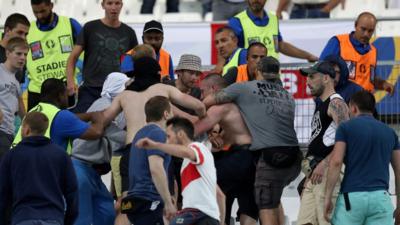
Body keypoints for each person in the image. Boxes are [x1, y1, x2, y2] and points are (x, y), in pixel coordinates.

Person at [204, 56, 302, 225]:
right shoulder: (288, 96)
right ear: (278, 73)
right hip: (294, 158)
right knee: (274, 199)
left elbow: (208, 102)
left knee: (266, 206)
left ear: (257, 71)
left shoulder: (244, 88)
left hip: (270, 156)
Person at [324, 90, 400, 225]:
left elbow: (336, 162)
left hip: (352, 198)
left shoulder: (345, 128)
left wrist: (328, 197)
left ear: (353, 108)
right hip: (381, 198)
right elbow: (399, 170)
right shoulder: (390, 132)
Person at [196, 74, 258, 225]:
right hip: (256, 158)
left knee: (216, 191)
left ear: (214, 89)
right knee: (248, 205)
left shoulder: (220, 107)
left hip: (240, 157)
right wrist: (216, 140)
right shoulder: (243, 104)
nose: (202, 96)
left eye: (203, 92)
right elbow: (233, 135)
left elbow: (195, 129)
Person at [136, 117, 220, 225]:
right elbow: (220, 195)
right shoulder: (190, 163)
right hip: (202, 216)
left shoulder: (197, 146)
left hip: (198, 215)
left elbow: (188, 153)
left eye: (168, 136)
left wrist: (155, 145)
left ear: (180, 134)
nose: (167, 141)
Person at [0, 111, 78, 225]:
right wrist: (68, 221)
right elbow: (72, 193)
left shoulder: (12, 156)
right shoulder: (61, 155)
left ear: (26, 129)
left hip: (23, 218)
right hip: (54, 218)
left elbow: (3, 194)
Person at [71, 72, 129, 225]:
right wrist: (140, 136)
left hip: (91, 170)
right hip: (80, 167)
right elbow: (115, 134)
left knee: (106, 212)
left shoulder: (108, 104)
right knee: (82, 218)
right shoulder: (105, 106)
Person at [296, 61, 349, 225]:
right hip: (315, 173)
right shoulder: (322, 104)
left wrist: (324, 164)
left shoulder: (336, 103)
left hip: (327, 172)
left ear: (326, 78)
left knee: (325, 220)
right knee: (305, 222)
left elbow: (347, 140)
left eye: (312, 77)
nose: (308, 82)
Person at [66, 0, 138, 113]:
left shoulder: (129, 33)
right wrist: (70, 82)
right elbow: (72, 58)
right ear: (103, 5)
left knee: (117, 128)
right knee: (82, 124)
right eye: (109, 3)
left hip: (118, 91)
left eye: (117, 3)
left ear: (122, 5)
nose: (113, 7)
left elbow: (135, 65)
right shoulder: (90, 27)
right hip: (90, 89)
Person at [12, 78, 105, 152]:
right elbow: (96, 132)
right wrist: (99, 117)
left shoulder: (34, 111)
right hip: (41, 167)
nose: (67, 98)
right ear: (60, 96)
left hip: (20, 163)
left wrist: (90, 115)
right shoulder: (62, 117)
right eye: (66, 94)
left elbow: (65, 119)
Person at [123, 96, 176, 225]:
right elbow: (156, 168)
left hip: (134, 201)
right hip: (149, 198)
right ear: (166, 114)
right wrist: (168, 202)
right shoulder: (158, 133)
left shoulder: (139, 134)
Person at [26, 0, 82, 110]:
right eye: (35, 12)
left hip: (65, 89)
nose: (39, 16)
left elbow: (89, 49)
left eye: (43, 11)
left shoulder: (70, 24)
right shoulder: (28, 29)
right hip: (37, 91)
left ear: (51, 6)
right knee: (37, 127)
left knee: (65, 125)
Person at [320, 12, 394, 94]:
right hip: (341, 101)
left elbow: (371, 79)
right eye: (363, 29)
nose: (366, 34)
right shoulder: (338, 42)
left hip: (363, 103)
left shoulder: (373, 51)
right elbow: (321, 68)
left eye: (370, 31)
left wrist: (383, 84)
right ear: (355, 25)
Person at [228, 0, 318, 61]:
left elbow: (279, 45)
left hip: (273, 79)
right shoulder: (237, 21)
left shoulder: (273, 19)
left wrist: (308, 56)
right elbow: (227, 51)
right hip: (250, 79)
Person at [0, 37, 28, 160]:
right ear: (7, 53)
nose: (22, 57)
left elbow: (21, 106)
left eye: (25, 54)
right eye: (18, 53)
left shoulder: (16, 82)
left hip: (9, 133)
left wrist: (28, 124)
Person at [0, 13, 30, 84]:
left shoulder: (22, 56)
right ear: (7, 31)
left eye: (26, 34)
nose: (23, 37)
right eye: (20, 33)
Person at [276, 0, 341, 19]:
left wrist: (326, 9)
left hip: (320, 10)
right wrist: (279, 10)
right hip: (297, 11)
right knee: (295, 41)